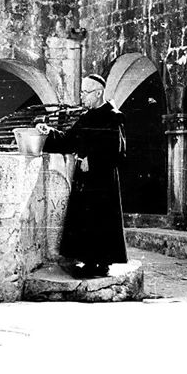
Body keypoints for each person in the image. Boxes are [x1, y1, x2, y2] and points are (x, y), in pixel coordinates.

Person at [36, 74, 128, 278]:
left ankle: (102, 263)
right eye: (81, 92)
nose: (82, 96)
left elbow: (118, 151)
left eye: (85, 92)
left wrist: (91, 159)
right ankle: (89, 261)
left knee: (101, 219)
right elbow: (68, 140)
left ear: (98, 93)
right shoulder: (86, 117)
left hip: (103, 180)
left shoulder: (114, 116)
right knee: (86, 219)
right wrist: (48, 132)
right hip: (86, 180)